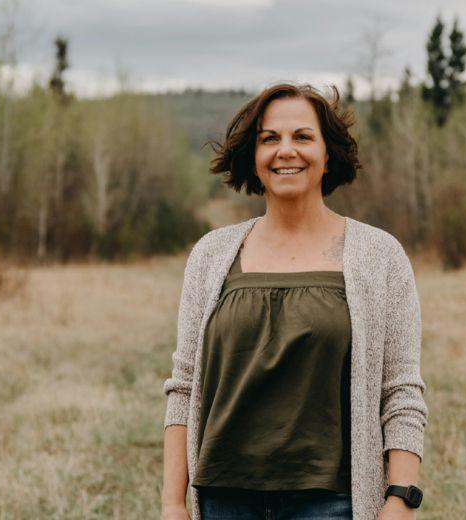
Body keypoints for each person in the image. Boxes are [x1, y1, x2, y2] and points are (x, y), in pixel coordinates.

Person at [161, 83, 428, 520]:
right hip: (222, 499)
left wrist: (400, 500)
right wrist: (172, 503)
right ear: (254, 157)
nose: (286, 151)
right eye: (270, 139)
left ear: (328, 155)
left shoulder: (379, 255)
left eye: (302, 137)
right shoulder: (211, 255)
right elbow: (185, 384)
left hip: (333, 503)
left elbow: (400, 392)